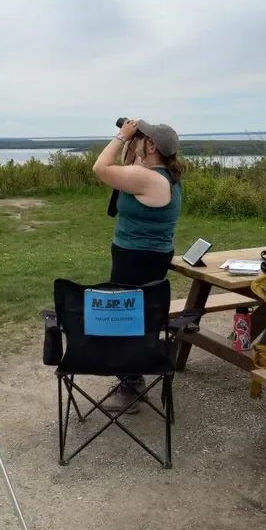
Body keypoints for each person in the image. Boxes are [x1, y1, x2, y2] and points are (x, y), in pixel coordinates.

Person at [92, 118, 185, 413]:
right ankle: (131, 378)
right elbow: (127, 165)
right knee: (137, 315)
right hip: (146, 255)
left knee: (126, 319)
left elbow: (101, 168)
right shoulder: (162, 175)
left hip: (137, 258)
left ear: (153, 146)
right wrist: (134, 142)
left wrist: (121, 135)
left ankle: (131, 385)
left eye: (144, 138)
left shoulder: (149, 179)